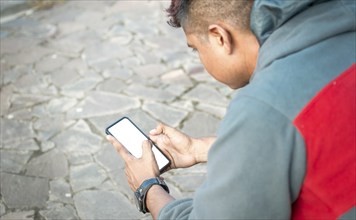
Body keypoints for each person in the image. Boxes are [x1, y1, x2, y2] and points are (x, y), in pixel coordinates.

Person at [107, 0, 355, 219]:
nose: (199, 57)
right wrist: (199, 148)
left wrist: (148, 187)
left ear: (219, 37)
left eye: (195, 48)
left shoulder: (262, 108)